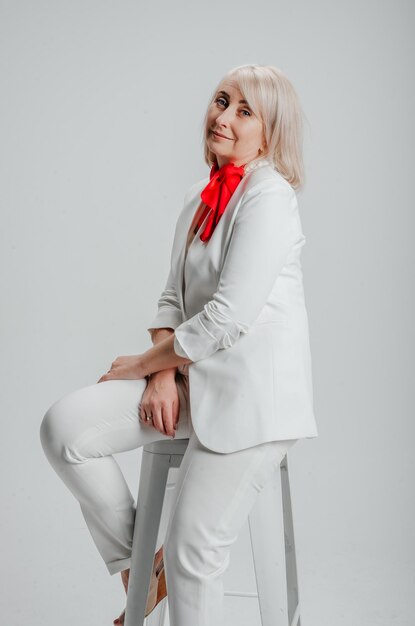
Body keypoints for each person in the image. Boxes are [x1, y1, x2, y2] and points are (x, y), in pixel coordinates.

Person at [39, 63, 318, 626]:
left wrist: (143, 363)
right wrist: (162, 375)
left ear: (270, 134)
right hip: (193, 380)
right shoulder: (201, 195)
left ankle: (163, 573)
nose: (224, 116)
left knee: (195, 554)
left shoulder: (269, 198)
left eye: (245, 111)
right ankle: (141, 574)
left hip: (250, 402)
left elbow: (225, 320)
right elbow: (171, 297)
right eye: (221, 100)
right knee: (64, 429)